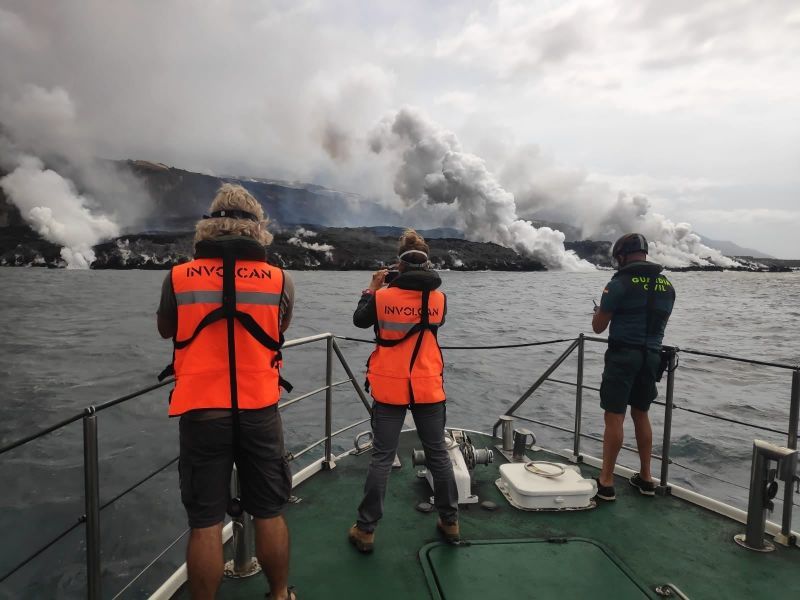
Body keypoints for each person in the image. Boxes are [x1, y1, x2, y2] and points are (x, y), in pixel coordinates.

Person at [157, 184, 296, 600]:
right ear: (258, 229)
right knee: (269, 511)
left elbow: (168, 329)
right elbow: (279, 330)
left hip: (202, 411)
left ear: (209, 225)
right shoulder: (278, 279)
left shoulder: (179, 276)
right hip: (259, 407)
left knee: (203, 523)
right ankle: (278, 595)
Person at [348, 229, 459, 553]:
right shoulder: (439, 299)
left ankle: (366, 530)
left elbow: (359, 321)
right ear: (426, 262)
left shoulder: (382, 297)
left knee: (382, 457)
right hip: (427, 384)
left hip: (390, 386)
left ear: (400, 262)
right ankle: (450, 521)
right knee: (438, 453)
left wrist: (372, 288)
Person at [591, 233, 676, 501]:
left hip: (623, 356)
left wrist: (598, 312)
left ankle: (605, 482)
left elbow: (598, 327)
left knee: (614, 416)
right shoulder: (667, 285)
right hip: (652, 357)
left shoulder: (619, 284)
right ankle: (646, 478)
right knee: (642, 413)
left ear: (622, 255)